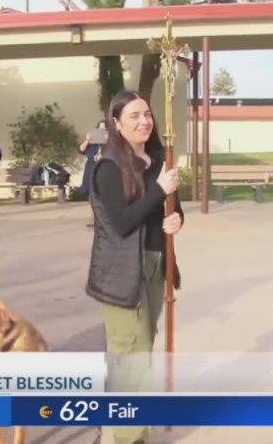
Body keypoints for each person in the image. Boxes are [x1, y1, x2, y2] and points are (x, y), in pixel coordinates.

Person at [86, 90, 183, 444]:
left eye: (147, 114)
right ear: (116, 124)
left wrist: (175, 221)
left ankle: (122, 425)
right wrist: (158, 190)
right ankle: (127, 435)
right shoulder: (108, 166)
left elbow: (171, 209)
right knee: (131, 355)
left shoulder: (157, 158)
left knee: (139, 350)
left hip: (156, 266)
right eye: (134, 116)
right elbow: (123, 222)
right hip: (120, 275)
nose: (145, 121)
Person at [79, 120, 107, 227]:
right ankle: (94, 217)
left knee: (103, 192)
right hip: (91, 167)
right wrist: (87, 139)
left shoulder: (110, 142)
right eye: (99, 128)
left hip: (103, 167)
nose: (101, 130)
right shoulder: (92, 142)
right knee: (91, 192)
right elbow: (81, 149)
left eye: (104, 129)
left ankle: (103, 218)